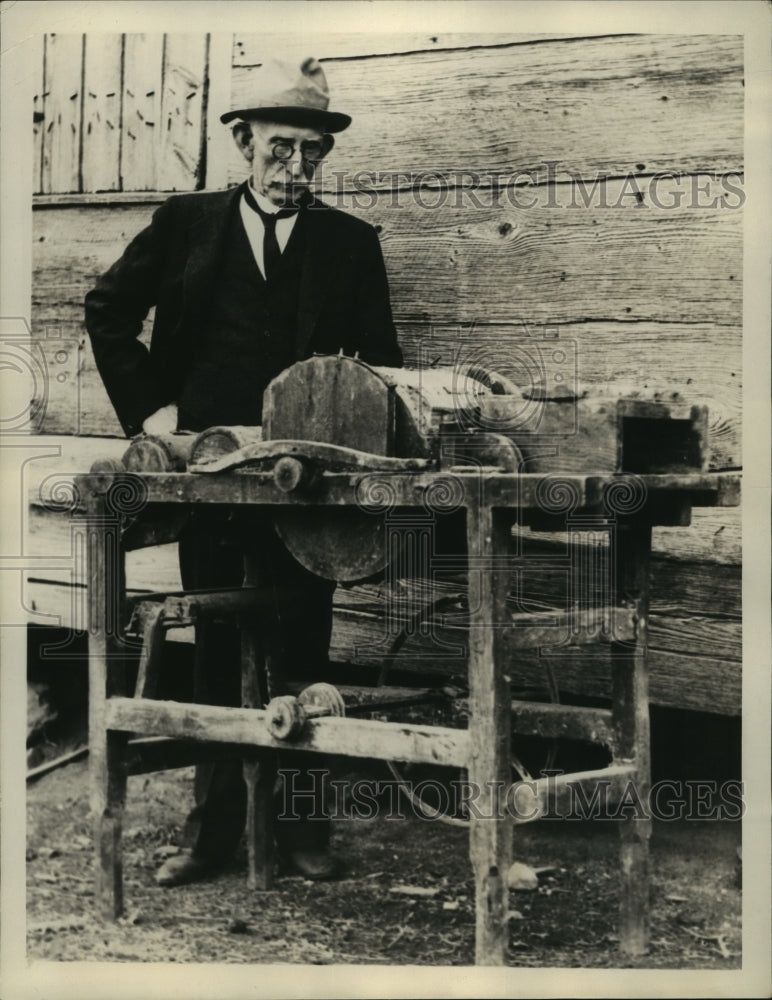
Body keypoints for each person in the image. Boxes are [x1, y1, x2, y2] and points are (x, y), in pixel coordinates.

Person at [85, 56, 402, 886]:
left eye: (311, 153)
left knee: (303, 646)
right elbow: (108, 309)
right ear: (243, 141)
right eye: (280, 149)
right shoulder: (187, 224)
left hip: (311, 488)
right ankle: (211, 834)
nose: (295, 168)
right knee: (221, 644)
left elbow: (381, 366)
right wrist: (151, 413)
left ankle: (301, 832)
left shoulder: (351, 245)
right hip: (212, 479)